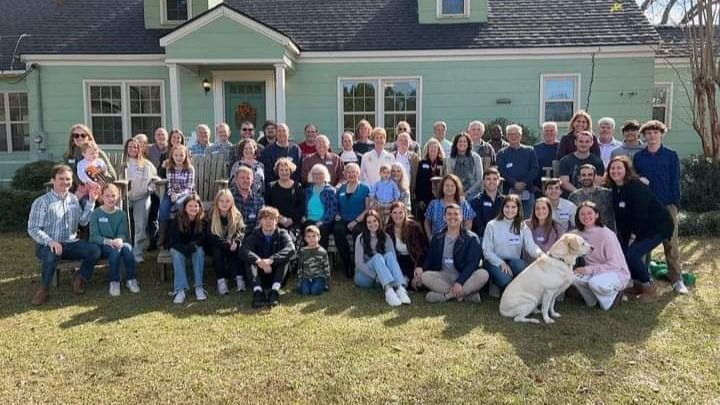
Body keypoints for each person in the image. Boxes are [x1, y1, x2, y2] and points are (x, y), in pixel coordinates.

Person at [28, 165, 101, 305]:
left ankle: (79, 278)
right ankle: (44, 289)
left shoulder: (73, 199)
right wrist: (50, 242)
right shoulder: (42, 202)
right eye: (61, 179)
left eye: (68, 179)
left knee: (95, 250)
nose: (65, 182)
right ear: (53, 180)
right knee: (52, 255)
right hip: (47, 245)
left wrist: (91, 201)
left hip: (70, 243)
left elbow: (83, 222)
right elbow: (33, 228)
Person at [605, 156, 673, 302]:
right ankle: (637, 285)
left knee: (633, 255)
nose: (615, 171)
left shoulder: (635, 186)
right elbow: (622, 217)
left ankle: (649, 289)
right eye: (612, 168)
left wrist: (632, 237)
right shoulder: (616, 189)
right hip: (640, 228)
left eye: (619, 168)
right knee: (625, 253)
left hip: (656, 227)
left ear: (626, 170)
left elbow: (641, 215)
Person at [633, 120, 687, 295]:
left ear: (661, 134)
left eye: (655, 133)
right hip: (647, 207)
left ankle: (676, 279)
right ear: (644, 136)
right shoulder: (639, 157)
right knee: (644, 244)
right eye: (648, 133)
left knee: (671, 243)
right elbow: (635, 180)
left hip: (667, 205)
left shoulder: (671, 155)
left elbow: (675, 180)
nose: (652, 136)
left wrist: (674, 204)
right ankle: (643, 279)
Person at [418, 203, 489, 303]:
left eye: (456, 214)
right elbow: (430, 259)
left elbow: (472, 265)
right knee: (425, 276)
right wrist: (421, 268)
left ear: (461, 217)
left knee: (483, 274)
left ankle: (447, 296)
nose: (452, 217)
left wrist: (459, 282)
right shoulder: (437, 238)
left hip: (464, 276)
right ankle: (466, 295)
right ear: (444, 218)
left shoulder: (472, 238)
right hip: (444, 276)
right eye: (449, 214)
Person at [572, 201, 630, 310]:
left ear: (597, 215)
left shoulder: (607, 234)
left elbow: (615, 264)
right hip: (594, 272)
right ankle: (592, 301)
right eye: (582, 214)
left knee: (594, 283)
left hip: (616, 272)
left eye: (589, 213)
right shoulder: (578, 234)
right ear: (578, 217)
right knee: (573, 277)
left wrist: (589, 269)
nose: (586, 217)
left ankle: (613, 299)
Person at [482, 195, 543, 294]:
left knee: (521, 266)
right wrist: (500, 263)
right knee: (504, 280)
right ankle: (497, 284)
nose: (510, 210)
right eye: (507, 206)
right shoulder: (492, 225)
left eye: (513, 207)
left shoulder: (522, 227)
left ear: (518, 209)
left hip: (513, 262)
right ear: (502, 208)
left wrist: (540, 254)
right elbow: (486, 250)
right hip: (494, 261)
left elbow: (531, 246)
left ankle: (511, 287)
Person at [88, 184, 139, 297]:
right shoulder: (96, 213)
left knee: (128, 249)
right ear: (102, 197)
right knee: (114, 251)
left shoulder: (121, 214)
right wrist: (109, 242)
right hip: (102, 244)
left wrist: (119, 239)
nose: (110, 199)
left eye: (113, 196)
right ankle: (114, 281)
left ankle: (131, 279)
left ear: (118, 197)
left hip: (118, 242)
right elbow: (94, 236)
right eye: (107, 196)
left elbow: (122, 233)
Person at [353, 209, 412, 307]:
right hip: (365, 276)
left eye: (374, 221)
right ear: (365, 224)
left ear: (379, 222)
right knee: (377, 257)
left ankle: (400, 288)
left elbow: (393, 260)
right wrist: (376, 276)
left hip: (383, 276)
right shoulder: (361, 238)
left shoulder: (385, 237)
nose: (372, 224)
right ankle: (389, 292)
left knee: (389, 255)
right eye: (369, 222)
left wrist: (382, 275)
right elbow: (359, 264)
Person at [241, 206, 297, 308]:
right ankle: (258, 292)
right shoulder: (254, 234)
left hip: (277, 274)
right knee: (249, 260)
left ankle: (274, 292)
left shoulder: (283, 233)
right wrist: (259, 261)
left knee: (285, 259)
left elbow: (291, 249)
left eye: (271, 219)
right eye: (265, 219)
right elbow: (244, 250)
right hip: (259, 275)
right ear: (260, 221)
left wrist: (271, 260)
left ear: (276, 221)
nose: (268, 222)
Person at [122, 137, 158, 262]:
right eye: (130, 147)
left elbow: (155, 179)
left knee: (140, 226)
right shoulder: (123, 163)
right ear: (126, 148)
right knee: (125, 225)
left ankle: (137, 252)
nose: (133, 149)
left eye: (135, 147)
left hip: (142, 197)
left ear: (139, 149)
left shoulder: (146, 164)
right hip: (125, 197)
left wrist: (150, 189)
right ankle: (126, 251)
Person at [168, 194, 207, 304]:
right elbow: (173, 241)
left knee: (200, 251)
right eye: (190, 206)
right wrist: (184, 249)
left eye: (196, 206)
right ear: (184, 207)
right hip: (178, 246)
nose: (193, 208)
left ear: (199, 207)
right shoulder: (177, 219)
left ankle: (198, 287)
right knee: (176, 254)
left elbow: (203, 238)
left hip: (193, 246)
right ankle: (180, 289)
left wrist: (194, 245)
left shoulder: (203, 220)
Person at [334, 163, 371, 277]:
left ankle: (357, 264)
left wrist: (355, 221)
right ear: (345, 174)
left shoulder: (365, 188)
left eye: (354, 172)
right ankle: (347, 263)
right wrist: (337, 214)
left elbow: (368, 209)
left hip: (359, 220)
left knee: (357, 232)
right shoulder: (341, 188)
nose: (351, 174)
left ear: (358, 174)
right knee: (338, 230)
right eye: (348, 172)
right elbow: (336, 206)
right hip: (344, 219)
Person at [207, 189, 246, 295]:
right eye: (221, 201)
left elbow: (241, 231)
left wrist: (236, 241)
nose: (224, 204)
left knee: (239, 247)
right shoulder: (212, 214)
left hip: (231, 244)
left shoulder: (236, 214)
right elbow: (211, 236)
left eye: (227, 201)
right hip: (217, 244)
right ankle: (221, 280)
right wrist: (226, 244)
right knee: (217, 250)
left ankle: (239, 277)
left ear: (232, 202)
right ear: (217, 202)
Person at [496, 124, 538, 218]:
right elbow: (502, 171)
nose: (513, 137)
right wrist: (514, 183)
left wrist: (523, 182)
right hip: (508, 191)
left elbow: (534, 168)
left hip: (527, 189)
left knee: (527, 219)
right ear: (507, 137)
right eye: (510, 134)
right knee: (509, 219)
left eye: (516, 134)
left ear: (520, 136)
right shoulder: (501, 154)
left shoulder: (530, 151)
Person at [158, 144, 195, 248]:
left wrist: (178, 195)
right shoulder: (170, 168)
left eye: (181, 155)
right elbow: (169, 185)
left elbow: (189, 187)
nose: (179, 158)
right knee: (163, 207)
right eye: (176, 155)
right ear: (172, 156)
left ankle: (182, 233)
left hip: (186, 194)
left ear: (186, 156)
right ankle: (162, 235)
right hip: (172, 194)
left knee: (179, 204)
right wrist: (172, 194)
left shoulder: (190, 168)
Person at [63, 124, 116, 193]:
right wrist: (82, 185)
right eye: (76, 135)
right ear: (72, 139)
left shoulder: (98, 153)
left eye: (83, 135)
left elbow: (113, 176)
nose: (79, 138)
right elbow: (69, 175)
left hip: (100, 188)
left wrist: (101, 175)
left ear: (88, 137)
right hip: (76, 189)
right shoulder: (68, 156)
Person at [386, 201, 427, 290]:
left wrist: (419, 266)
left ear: (405, 213)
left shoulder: (414, 227)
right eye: (395, 213)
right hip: (398, 260)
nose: (398, 215)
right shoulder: (388, 230)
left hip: (414, 259)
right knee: (403, 279)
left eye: (400, 212)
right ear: (391, 215)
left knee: (418, 284)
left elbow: (422, 250)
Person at [266, 158, 305, 235]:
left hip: (294, 223)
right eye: (281, 170)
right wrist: (279, 218)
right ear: (277, 171)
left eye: (287, 170)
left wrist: (291, 220)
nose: (284, 172)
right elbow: (268, 206)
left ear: (290, 171)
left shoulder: (297, 186)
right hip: (275, 222)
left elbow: (301, 207)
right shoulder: (271, 186)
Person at [302, 164, 338, 250]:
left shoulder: (330, 190)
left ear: (325, 175)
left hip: (324, 221)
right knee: (307, 228)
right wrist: (303, 216)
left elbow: (332, 210)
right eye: (315, 174)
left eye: (320, 174)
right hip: (309, 219)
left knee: (321, 230)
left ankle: (321, 255)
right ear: (311, 176)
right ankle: (308, 255)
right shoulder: (307, 190)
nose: (317, 176)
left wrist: (322, 221)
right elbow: (303, 206)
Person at [569, 164, 615, 230]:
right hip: (583, 233)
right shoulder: (573, 196)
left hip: (606, 232)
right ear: (579, 178)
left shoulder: (607, 194)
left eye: (590, 175)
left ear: (595, 176)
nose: (587, 177)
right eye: (583, 175)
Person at [558, 131, 605, 195]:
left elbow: (598, 182)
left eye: (587, 142)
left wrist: (588, 193)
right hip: (571, 196)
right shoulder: (565, 161)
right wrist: (579, 193)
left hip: (592, 195)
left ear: (592, 143)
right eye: (581, 141)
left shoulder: (597, 161)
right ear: (575, 142)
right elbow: (564, 182)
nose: (583, 144)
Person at [146, 128, 168, 250]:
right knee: (153, 212)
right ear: (154, 137)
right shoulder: (149, 149)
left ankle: (165, 239)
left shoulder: (170, 149)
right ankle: (153, 240)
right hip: (153, 184)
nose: (160, 137)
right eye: (158, 135)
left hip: (167, 184)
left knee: (164, 211)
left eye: (163, 134)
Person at [445, 132, 484, 198]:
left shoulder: (476, 157)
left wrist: (468, 192)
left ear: (468, 144)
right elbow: (450, 178)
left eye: (464, 141)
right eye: (460, 141)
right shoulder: (450, 159)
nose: (462, 143)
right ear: (456, 144)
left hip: (473, 191)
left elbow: (479, 179)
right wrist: (458, 192)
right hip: (456, 191)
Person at [414, 138, 446, 219]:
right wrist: (420, 199)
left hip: (439, 197)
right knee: (425, 219)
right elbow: (418, 182)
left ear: (438, 150)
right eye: (431, 147)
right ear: (427, 149)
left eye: (435, 147)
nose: (433, 149)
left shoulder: (442, 163)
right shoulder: (422, 163)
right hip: (425, 198)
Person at [469, 168, 505, 238]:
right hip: (482, 237)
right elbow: (477, 226)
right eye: (488, 179)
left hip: (501, 237)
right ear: (483, 181)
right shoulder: (476, 201)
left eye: (495, 179)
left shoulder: (504, 201)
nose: (492, 182)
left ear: (499, 181)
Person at [297, 225, 331, 296]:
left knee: (314, 291)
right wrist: (300, 279)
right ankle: (304, 285)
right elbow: (300, 266)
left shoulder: (322, 251)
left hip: (318, 276)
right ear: (305, 239)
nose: (311, 239)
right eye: (308, 236)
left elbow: (326, 267)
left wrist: (327, 281)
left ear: (319, 237)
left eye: (314, 236)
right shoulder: (303, 251)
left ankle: (321, 285)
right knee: (305, 292)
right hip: (306, 276)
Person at [231, 166, 265, 232]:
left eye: (248, 178)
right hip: (232, 234)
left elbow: (260, 223)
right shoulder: (228, 197)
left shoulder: (259, 200)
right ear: (236, 180)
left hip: (253, 236)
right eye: (242, 178)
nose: (245, 180)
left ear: (252, 181)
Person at [534, 122, 560, 189]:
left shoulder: (562, 147)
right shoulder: (535, 148)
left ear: (556, 132)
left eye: (551, 130)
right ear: (542, 133)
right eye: (546, 131)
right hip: (538, 186)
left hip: (558, 186)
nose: (549, 133)